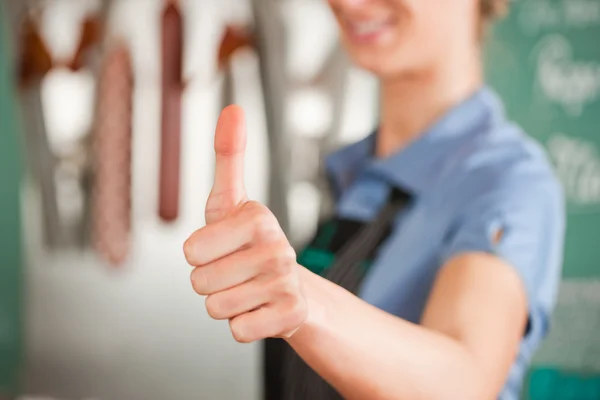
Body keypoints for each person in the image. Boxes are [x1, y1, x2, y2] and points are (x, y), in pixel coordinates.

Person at [182, 0, 565, 398]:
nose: (348, 4)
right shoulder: (357, 171)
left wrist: (306, 299)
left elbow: (464, 381)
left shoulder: (510, 182)